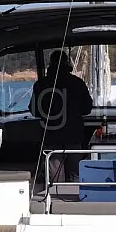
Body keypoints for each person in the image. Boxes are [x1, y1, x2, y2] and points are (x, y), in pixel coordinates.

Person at [31, 50, 93, 182]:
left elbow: (34, 111)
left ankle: (54, 193)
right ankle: (73, 193)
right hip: (73, 135)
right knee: (75, 175)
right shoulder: (78, 83)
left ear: (50, 63)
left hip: (51, 135)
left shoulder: (40, 85)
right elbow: (87, 109)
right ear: (67, 63)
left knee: (54, 177)